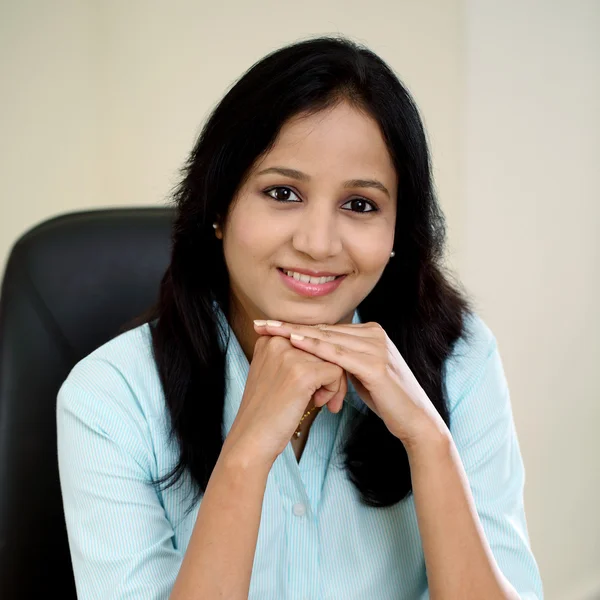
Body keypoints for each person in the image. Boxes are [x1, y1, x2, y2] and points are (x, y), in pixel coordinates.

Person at [56, 36, 544, 599]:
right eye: (283, 192)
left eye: (360, 204)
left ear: (396, 234)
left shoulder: (462, 357)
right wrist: (245, 452)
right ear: (218, 206)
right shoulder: (109, 398)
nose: (317, 243)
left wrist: (429, 442)